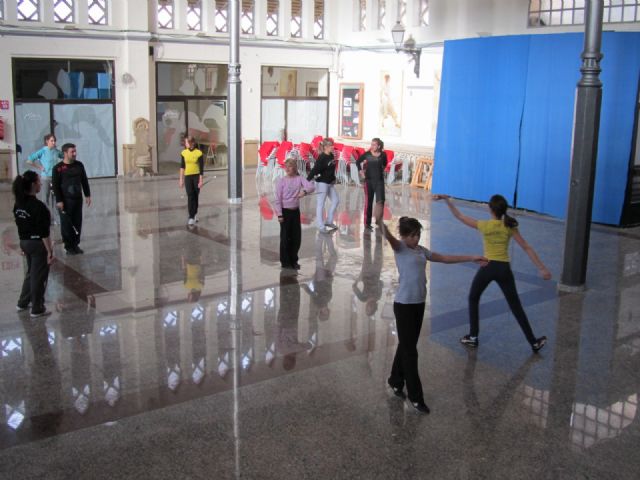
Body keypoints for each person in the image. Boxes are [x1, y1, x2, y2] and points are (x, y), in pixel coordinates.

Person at [377, 209, 486, 414]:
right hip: (403, 305)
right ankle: (416, 397)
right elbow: (388, 236)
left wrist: (472, 257)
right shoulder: (400, 248)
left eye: (418, 234)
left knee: (407, 344)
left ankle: (395, 380)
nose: (416, 238)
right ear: (404, 236)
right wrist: (378, 220)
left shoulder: (421, 250)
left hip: (418, 303)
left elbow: (444, 258)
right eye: (412, 235)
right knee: (411, 351)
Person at [432, 194, 551, 352]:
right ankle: (533, 342)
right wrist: (541, 267)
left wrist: (447, 200)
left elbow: (459, 216)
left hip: (487, 267)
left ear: (490, 209)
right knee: (516, 306)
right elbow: (526, 247)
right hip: (504, 269)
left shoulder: (484, 225)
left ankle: (473, 337)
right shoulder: (510, 226)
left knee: (473, 298)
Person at [13, 171, 54, 318]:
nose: (40, 184)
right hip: (37, 245)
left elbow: (19, 225)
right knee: (39, 277)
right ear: (32, 185)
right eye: (38, 182)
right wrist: (49, 251)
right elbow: (44, 232)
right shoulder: (38, 207)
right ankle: (37, 308)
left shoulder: (18, 204)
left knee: (31, 273)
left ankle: (22, 302)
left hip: (25, 242)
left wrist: (22, 245)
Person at [274, 157, 315, 270]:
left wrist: (304, 192)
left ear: (295, 168)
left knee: (296, 238)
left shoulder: (299, 178)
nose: (287, 168)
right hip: (285, 212)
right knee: (285, 238)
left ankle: (294, 260)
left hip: (295, 212)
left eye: (290, 166)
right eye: (286, 166)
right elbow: (277, 199)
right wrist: (279, 214)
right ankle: (285, 262)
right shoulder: (281, 181)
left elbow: (311, 186)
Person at [52, 143, 91, 255]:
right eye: (72, 152)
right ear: (65, 153)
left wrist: (87, 195)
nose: (74, 154)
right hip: (65, 200)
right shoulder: (58, 168)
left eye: (75, 151)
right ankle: (68, 246)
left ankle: (76, 244)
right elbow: (55, 186)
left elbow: (84, 180)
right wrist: (59, 200)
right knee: (66, 224)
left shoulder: (79, 165)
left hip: (77, 199)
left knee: (77, 222)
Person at [307, 138, 340, 233]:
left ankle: (329, 221)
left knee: (336, 200)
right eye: (331, 146)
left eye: (333, 145)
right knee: (321, 204)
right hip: (321, 183)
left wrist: (333, 178)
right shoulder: (321, 157)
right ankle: (320, 226)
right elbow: (314, 170)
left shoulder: (331, 155)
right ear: (325, 147)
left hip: (329, 183)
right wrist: (306, 181)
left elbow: (331, 169)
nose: (333, 147)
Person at [25, 134, 63, 214]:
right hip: (46, 178)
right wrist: (39, 167)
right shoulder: (42, 151)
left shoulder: (56, 151)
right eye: (51, 141)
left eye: (54, 141)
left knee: (56, 197)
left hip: (55, 178)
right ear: (47, 141)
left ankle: (57, 217)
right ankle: (45, 215)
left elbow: (64, 156)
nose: (53, 142)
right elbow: (29, 160)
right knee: (45, 198)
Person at [356, 138, 388, 231]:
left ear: (379, 146)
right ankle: (367, 223)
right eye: (371, 144)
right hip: (368, 181)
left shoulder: (383, 155)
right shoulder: (367, 154)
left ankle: (379, 221)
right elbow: (358, 162)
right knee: (368, 202)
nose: (372, 146)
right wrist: (361, 171)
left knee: (380, 202)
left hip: (379, 181)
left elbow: (385, 164)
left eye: (374, 144)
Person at [179, 135, 204, 226]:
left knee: (196, 195)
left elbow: (201, 168)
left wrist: (200, 181)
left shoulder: (199, 153)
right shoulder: (184, 153)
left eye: (186, 142)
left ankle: (194, 213)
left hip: (196, 176)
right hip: (188, 177)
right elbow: (182, 167)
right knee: (190, 196)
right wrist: (181, 179)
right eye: (185, 142)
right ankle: (191, 216)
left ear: (191, 143)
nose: (185, 144)